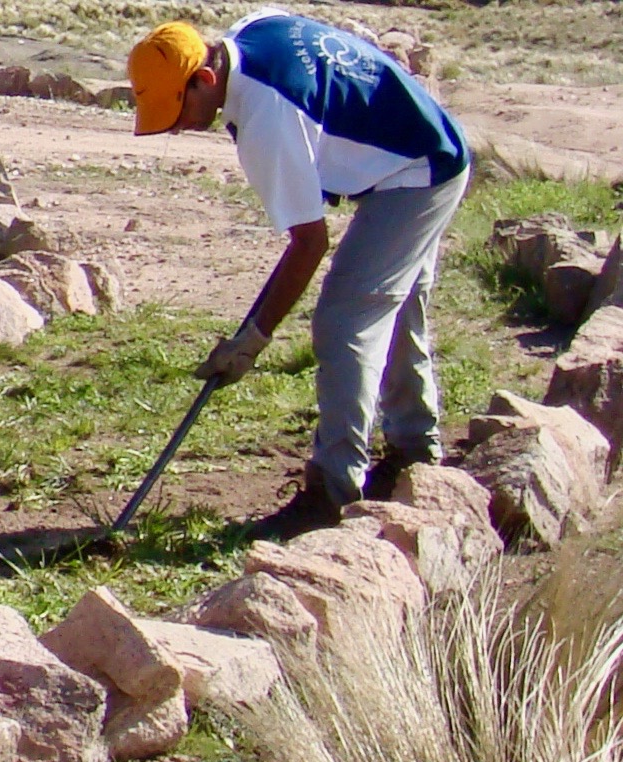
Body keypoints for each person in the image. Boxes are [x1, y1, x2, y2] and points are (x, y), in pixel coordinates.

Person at [129, 9, 468, 536]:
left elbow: (310, 243)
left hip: (420, 170)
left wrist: (253, 339)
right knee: (394, 305)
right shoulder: (251, 30)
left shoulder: (267, 116)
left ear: (206, 78)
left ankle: (332, 492)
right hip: (420, 143)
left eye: (180, 109)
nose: (179, 125)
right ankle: (415, 452)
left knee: (345, 320)